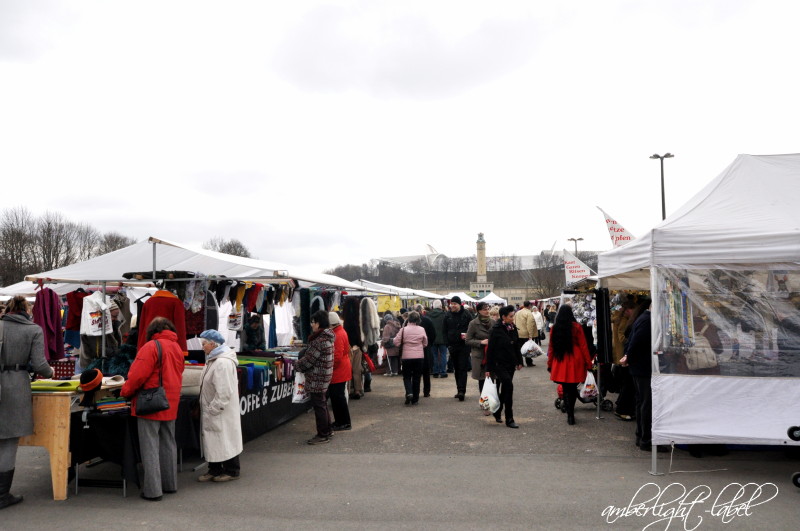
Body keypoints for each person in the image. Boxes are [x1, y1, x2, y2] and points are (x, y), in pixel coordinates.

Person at [120, 317, 185, 500]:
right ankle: (169, 484)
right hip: (170, 401)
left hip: (151, 402)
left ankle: (153, 491)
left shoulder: (151, 347)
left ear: (152, 331)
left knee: (150, 447)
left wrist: (125, 391)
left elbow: (137, 376)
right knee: (168, 444)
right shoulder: (177, 347)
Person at [0, 296, 54, 510]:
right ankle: (2, 495)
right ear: (26, 310)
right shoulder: (33, 330)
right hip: (15, 386)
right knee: (8, 442)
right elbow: (40, 364)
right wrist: (50, 372)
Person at [196, 329, 243, 482]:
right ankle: (214, 469)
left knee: (226, 439)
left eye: (204, 344)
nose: (202, 347)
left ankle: (231, 470)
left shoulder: (222, 362)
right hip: (213, 409)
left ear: (212, 344)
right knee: (215, 439)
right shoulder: (213, 360)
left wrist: (214, 409)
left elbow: (224, 391)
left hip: (220, 410)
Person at [622, 300, 666, 451]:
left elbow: (633, 342)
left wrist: (628, 357)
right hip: (643, 368)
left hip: (640, 367)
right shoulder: (647, 320)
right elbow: (636, 342)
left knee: (642, 402)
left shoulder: (643, 318)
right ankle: (646, 439)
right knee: (646, 403)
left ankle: (641, 436)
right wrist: (628, 357)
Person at [547, 305, 592, 426]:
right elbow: (583, 346)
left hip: (560, 360)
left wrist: (549, 363)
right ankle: (571, 413)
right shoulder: (576, 327)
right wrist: (588, 363)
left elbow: (551, 347)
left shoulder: (555, 328)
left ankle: (569, 414)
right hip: (575, 360)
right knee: (572, 388)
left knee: (566, 389)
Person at [295, 310, 335, 445]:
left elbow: (309, 360)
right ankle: (327, 430)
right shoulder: (327, 337)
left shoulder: (319, 340)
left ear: (318, 323)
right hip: (323, 376)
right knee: (322, 404)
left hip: (317, 377)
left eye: (313, 322)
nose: (311, 325)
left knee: (319, 405)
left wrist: (296, 365)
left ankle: (323, 434)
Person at [485, 305, 523, 428]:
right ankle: (509, 418)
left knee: (506, 389)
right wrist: (488, 368)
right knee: (509, 386)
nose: (513, 318)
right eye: (511, 316)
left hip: (510, 364)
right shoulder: (495, 330)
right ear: (503, 317)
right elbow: (490, 350)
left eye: (513, 316)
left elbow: (516, 346)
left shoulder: (513, 328)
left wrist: (519, 361)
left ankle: (497, 410)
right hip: (498, 364)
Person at [393, 311, 428, 405]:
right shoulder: (422, 329)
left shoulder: (403, 330)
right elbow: (425, 343)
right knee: (417, 377)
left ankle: (409, 392)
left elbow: (396, 342)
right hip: (419, 356)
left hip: (406, 356)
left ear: (409, 319)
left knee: (407, 376)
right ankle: (415, 398)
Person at [443, 296, 473, 401]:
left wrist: (468, 337)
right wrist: (447, 343)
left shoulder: (467, 315)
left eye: (455, 304)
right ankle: (459, 389)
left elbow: (472, 328)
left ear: (460, 304)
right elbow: (444, 330)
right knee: (456, 368)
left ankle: (462, 391)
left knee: (463, 368)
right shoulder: (448, 315)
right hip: (453, 345)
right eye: (452, 304)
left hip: (464, 345)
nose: (453, 305)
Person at [328, 312, 353, 431]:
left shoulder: (337, 334)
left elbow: (336, 356)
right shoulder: (341, 331)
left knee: (338, 397)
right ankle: (341, 421)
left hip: (339, 370)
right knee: (338, 397)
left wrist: (329, 367)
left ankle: (343, 422)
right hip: (342, 368)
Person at [466, 302, 493, 394]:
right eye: (484, 309)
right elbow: (468, 340)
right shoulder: (473, 323)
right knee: (482, 380)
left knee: (493, 379)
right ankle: (484, 400)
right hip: (480, 356)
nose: (487, 311)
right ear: (479, 311)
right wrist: (480, 342)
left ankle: (493, 401)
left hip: (491, 355)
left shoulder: (493, 322)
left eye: (488, 309)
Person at [414, 304, 436, 397]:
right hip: (426, 348)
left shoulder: (410, 321)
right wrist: (429, 343)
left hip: (414, 349)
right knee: (426, 371)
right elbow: (433, 334)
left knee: (416, 372)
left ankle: (416, 391)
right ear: (422, 310)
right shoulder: (427, 320)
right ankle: (426, 391)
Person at [427, 300, 449, 378]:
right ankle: (443, 371)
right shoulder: (444, 315)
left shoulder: (428, 315)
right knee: (443, 355)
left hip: (432, 338)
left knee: (434, 356)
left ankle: (435, 371)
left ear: (433, 306)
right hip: (443, 338)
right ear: (440, 306)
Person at [514, 300, 537, 367]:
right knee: (528, 349)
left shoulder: (518, 312)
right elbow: (530, 325)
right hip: (525, 333)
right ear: (529, 305)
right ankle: (529, 362)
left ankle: (520, 362)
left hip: (518, 332)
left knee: (519, 349)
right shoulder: (529, 313)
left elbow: (514, 321)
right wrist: (530, 335)